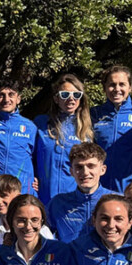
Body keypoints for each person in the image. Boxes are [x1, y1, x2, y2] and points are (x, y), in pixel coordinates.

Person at [33, 75, 93, 205]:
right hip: (43, 198)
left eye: (76, 95)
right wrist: (31, 177)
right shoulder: (41, 123)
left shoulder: (87, 130)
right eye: (65, 94)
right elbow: (27, 156)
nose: (71, 98)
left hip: (72, 200)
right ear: (56, 98)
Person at [92, 65, 132, 192]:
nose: (117, 89)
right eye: (112, 85)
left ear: (130, 87)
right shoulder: (94, 114)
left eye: (122, 84)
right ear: (104, 88)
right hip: (101, 187)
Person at [47, 142, 113, 243]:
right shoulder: (58, 203)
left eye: (91, 166)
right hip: (70, 253)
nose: (85, 172)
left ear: (102, 170)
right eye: (79, 167)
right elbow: (41, 234)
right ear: (71, 171)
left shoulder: (117, 202)